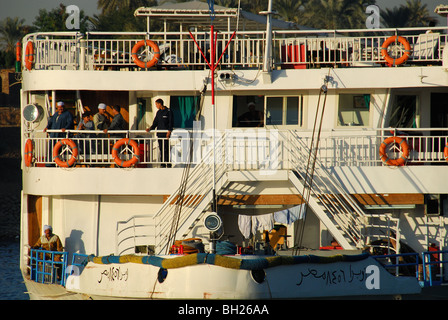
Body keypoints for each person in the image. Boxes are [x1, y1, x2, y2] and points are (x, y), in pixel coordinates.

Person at [146, 99, 174, 167]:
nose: (156, 106)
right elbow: (155, 122)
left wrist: (169, 131)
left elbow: (171, 122)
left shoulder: (168, 111)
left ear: (160, 104)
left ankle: (168, 163)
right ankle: (163, 163)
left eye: (156, 104)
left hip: (166, 134)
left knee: (166, 148)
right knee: (161, 148)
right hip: (160, 133)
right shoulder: (158, 112)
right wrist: (150, 128)